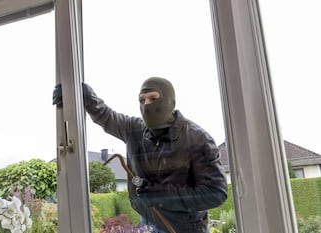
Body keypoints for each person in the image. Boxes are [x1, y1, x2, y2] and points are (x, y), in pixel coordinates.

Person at [53, 77, 228, 233]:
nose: (146, 105)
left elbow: (216, 193)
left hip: (184, 227)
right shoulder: (134, 130)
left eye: (153, 98)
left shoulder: (197, 139)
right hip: (150, 219)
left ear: (170, 101)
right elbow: (106, 116)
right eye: (141, 100)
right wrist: (78, 92)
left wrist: (163, 195)